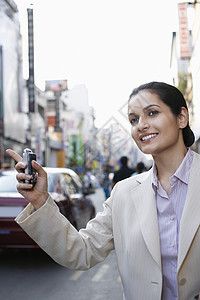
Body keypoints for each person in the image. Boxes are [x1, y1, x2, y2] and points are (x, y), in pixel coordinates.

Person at [6, 81, 200, 300]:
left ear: (182, 117)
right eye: (134, 120)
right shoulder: (124, 194)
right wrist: (41, 200)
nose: (141, 125)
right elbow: (81, 251)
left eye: (152, 113)